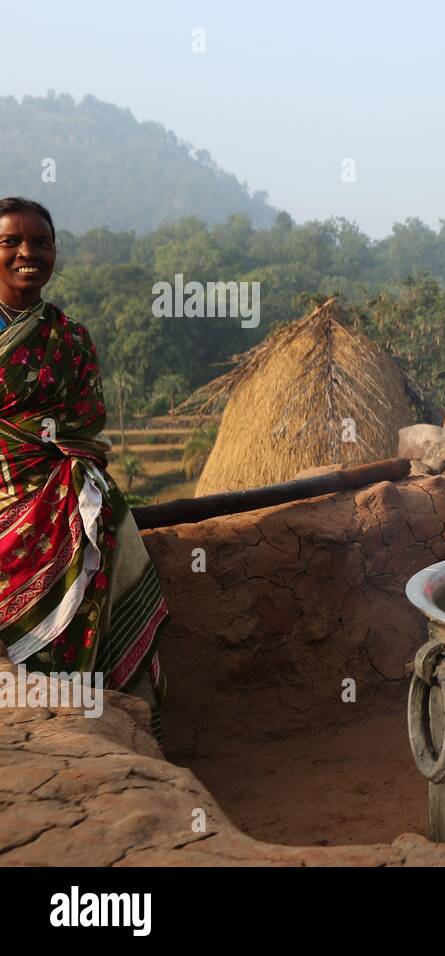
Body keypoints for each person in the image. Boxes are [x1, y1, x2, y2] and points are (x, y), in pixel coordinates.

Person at [0, 198, 167, 733]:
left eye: (42, 242)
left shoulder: (68, 338)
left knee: (99, 531)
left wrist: (69, 467)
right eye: (11, 242)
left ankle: (83, 722)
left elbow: (85, 426)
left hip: (60, 489)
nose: (29, 252)